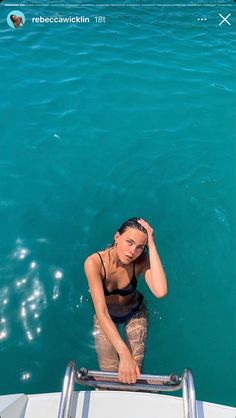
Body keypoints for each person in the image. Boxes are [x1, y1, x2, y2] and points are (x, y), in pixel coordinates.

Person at [84, 217, 167, 384]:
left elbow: (160, 291)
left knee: (134, 373)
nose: (132, 251)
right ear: (117, 237)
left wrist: (151, 244)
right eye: (129, 242)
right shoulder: (94, 263)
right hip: (106, 318)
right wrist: (123, 352)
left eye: (139, 247)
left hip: (135, 313)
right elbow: (101, 312)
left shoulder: (140, 261)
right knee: (110, 374)